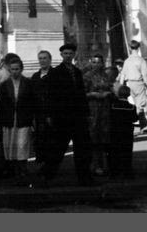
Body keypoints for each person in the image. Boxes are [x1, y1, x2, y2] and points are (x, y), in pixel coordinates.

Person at [39, 42, 95, 186]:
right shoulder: (56, 72)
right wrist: (49, 115)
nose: (68, 56)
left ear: (74, 55)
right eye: (65, 54)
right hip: (62, 116)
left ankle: (84, 177)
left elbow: (82, 93)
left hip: (78, 116)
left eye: (70, 53)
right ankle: (47, 176)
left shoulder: (76, 71)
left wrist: (86, 113)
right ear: (61, 55)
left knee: (82, 148)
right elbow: (50, 95)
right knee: (58, 147)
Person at [0, 54, 36, 183]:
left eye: (17, 69)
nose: (15, 71)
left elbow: (32, 102)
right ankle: (15, 172)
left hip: (23, 119)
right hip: (9, 119)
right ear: (9, 70)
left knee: (22, 145)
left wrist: (32, 119)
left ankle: (23, 169)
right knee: (11, 146)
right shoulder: (5, 84)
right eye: (12, 69)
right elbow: (1, 104)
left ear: (21, 69)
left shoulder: (28, 83)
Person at [82, 52, 113, 177]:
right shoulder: (87, 77)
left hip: (105, 110)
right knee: (93, 138)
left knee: (104, 138)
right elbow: (82, 94)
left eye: (98, 62)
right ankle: (94, 165)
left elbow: (112, 89)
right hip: (92, 110)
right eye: (93, 62)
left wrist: (108, 93)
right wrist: (93, 95)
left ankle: (105, 165)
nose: (96, 64)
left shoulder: (106, 75)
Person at [107, 85, 139, 180]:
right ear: (128, 95)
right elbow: (134, 119)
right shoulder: (132, 107)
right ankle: (127, 171)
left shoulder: (113, 105)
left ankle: (114, 171)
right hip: (127, 132)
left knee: (114, 152)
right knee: (127, 152)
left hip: (115, 131)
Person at [27, 50, 54, 162]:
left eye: (45, 58)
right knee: (39, 137)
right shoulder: (35, 77)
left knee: (51, 138)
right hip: (38, 113)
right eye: (40, 58)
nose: (42, 60)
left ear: (49, 59)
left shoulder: (55, 75)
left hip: (52, 112)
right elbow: (32, 96)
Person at [119, 39, 147, 129]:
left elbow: (123, 74)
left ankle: (144, 124)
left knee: (137, 104)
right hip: (139, 83)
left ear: (130, 48)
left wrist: (120, 86)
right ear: (138, 48)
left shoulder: (127, 61)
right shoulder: (141, 61)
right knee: (140, 105)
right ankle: (144, 125)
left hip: (130, 84)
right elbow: (145, 76)